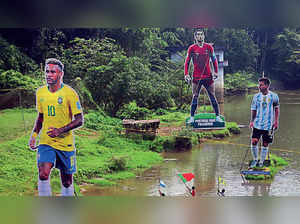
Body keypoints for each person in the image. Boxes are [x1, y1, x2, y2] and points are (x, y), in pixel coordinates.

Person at [29, 58, 84, 196]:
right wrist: (34, 135)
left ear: (60, 74)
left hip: (65, 144)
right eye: (47, 71)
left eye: (52, 72)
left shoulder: (70, 93)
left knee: (66, 182)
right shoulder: (40, 92)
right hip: (46, 142)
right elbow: (41, 117)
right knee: (43, 173)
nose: (48, 74)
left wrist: (60, 131)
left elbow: (79, 120)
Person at [184, 29, 222, 123]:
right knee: (195, 96)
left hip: (208, 76)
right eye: (198, 35)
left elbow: (214, 60)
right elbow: (187, 62)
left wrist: (216, 72)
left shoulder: (209, 47)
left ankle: (217, 116)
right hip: (196, 77)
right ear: (195, 37)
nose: (200, 36)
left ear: (204, 36)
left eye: (201, 35)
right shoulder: (192, 48)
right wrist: (186, 74)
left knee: (212, 96)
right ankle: (192, 117)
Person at [249, 77, 279, 168]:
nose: (259, 86)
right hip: (257, 124)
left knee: (265, 143)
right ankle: (255, 160)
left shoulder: (274, 96)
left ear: (267, 85)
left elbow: (276, 109)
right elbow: (253, 110)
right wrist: (251, 121)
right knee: (254, 141)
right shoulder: (256, 97)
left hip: (268, 125)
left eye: (261, 85)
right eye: (259, 84)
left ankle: (261, 162)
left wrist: (276, 121)